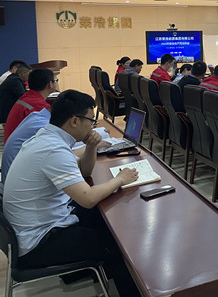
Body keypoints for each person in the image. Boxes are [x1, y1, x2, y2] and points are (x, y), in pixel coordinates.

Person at [3, 90, 141, 296]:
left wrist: (91, 147)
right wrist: (120, 179)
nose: (93, 126)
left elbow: (84, 171)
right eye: (91, 120)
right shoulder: (53, 150)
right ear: (75, 121)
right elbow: (88, 198)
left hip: (35, 229)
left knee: (104, 219)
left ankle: (91, 270)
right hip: (37, 244)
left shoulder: (47, 138)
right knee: (117, 243)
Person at [3, 68, 56, 142]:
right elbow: (50, 132)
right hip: (21, 147)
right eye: (56, 81)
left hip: (13, 144)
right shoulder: (39, 106)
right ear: (50, 84)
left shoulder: (27, 97)